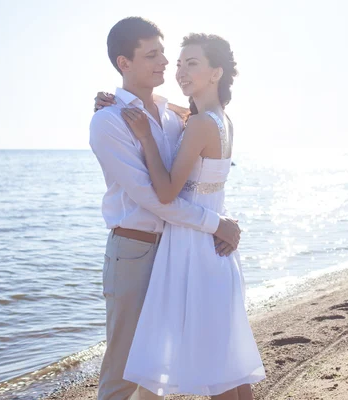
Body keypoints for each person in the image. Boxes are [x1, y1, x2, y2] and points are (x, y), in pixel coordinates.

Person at [89, 18, 244, 400]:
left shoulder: (173, 116)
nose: (165, 64)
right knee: (125, 372)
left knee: (158, 370)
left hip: (179, 251)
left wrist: (215, 224)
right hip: (137, 251)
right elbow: (154, 196)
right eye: (153, 55)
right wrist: (216, 224)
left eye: (166, 54)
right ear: (124, 63)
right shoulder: (108, 122)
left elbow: (194, 174)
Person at [121, 32, 265, 399]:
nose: (181, 71)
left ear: (216, 72)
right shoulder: (221, 120)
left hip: (192, 250)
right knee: (226, 362)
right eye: (180, 63)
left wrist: (146, 138)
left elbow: (167, 192)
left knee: (212, 365)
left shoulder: (201, 124)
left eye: (193, 63)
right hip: (214, 247)